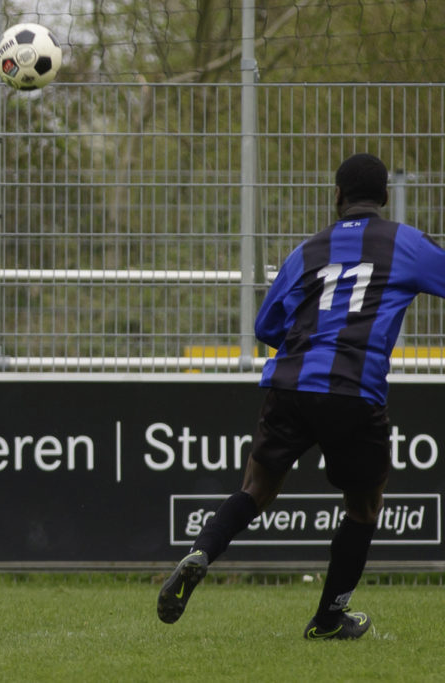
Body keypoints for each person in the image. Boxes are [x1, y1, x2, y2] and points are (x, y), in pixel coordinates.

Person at [157, 153, 445, 640]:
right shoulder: (405, 242)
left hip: (289, 385)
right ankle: (329, 618)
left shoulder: (308, 250)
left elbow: (266, 325)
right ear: (386, 198)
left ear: (337, 197)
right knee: (363, 506)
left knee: (256, 488)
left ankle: (202, 550)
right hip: (355, 389)